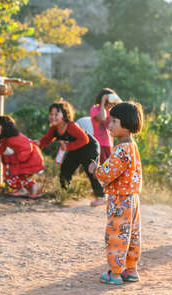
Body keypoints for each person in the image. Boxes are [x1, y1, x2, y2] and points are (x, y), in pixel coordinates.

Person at [88, 101, 143, 285]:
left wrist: (95, 169)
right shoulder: (132, 147)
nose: (109, 125)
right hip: (133, 199)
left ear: (126, 124)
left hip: (120, 200)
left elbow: (107, 174)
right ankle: (131, 269)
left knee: (116, 235)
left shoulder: (121, 150)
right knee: (132, 234)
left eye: (114, 122)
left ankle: (115, 273)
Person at [37, 100, 105, 205]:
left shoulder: (71, 126)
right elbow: (46, 139)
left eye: (56, 114)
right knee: (65, 169)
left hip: (89, 147)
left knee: (90, 170)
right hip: (76, 149)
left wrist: (68, 146)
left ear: (65, 115)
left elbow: (85, 139)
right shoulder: (54, 128)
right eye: (51, 114)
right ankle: (63, 193)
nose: (53, 117)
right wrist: (37, 144)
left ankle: (101, 196)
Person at [0, 115, 45, 198]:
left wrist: (15, 159)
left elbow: (27, 148)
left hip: (28, 161)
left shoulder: (12, 139)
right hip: (26, 162)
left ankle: (22, 190)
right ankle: (34, 188)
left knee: (10, 174)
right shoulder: (6, 140)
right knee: (22, 178)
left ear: (5, 128)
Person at [90, 88, 122, 164]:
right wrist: (103, 100)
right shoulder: (95, 109)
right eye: (109, 101)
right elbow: (103, 118)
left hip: (109, 145)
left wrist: (116, 99)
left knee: (107, 167)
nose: (111, 104)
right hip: (98, 143)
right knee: (100, 167)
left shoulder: (112, 112)